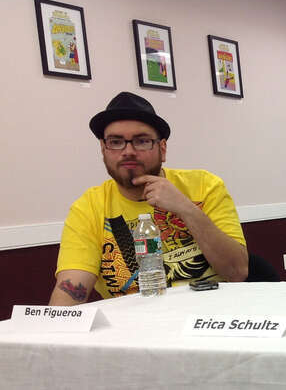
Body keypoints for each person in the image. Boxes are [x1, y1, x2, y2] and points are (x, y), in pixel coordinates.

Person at [49, 92, 248, 306]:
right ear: (103, 149)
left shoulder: (205, 186)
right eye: (116, 142)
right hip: (135, 331)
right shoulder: (88, 208)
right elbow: (69, 293)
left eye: (141, 141)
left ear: (162, 149)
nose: (128, 151)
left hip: (210, 320)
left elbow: (237, 272)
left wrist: (186, 208)